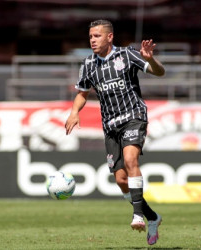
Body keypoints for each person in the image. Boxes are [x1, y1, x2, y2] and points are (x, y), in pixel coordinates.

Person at [65, 19, 165, 245]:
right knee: (121, 180)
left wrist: (151, 60)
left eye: (97, 36)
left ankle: (138, 214)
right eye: (90, 36)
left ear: (110, 37)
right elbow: (82, 93)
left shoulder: (128, 55)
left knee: (131, 160)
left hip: (133, 117)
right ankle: (152, 217)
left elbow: (160, 72)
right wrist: (74, 112)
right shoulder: (88, 64)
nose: (92, 40)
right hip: (110, 126)